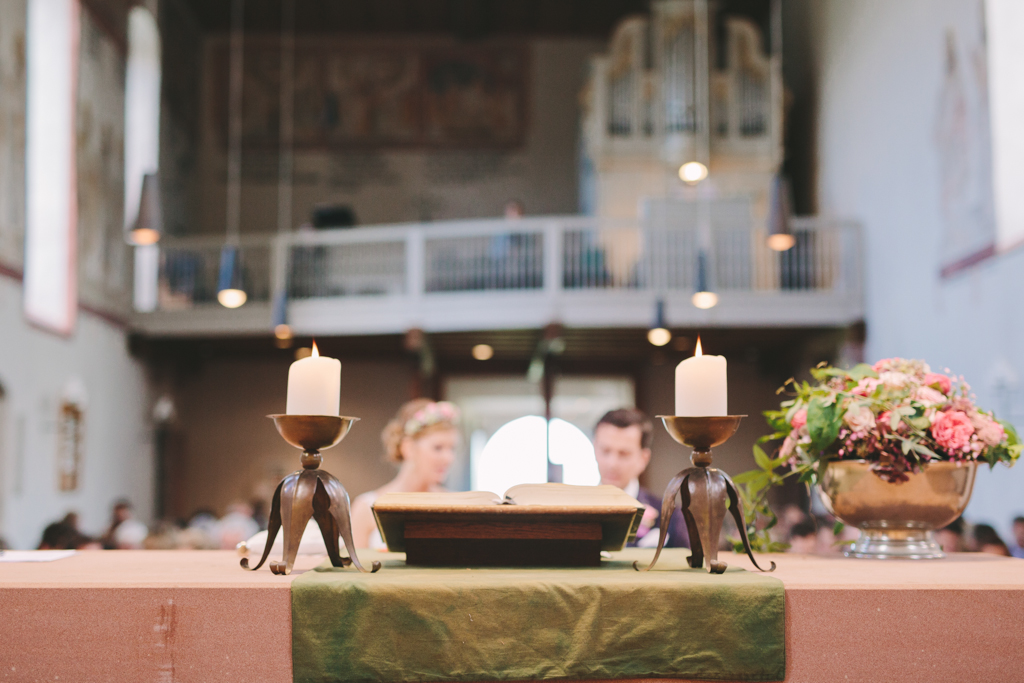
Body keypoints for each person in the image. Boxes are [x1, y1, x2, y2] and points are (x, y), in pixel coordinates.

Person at [350, 399, 460, 549]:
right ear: (408, 448)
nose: (449, 458)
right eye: (438, 448)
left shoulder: (457, 505)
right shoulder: (366, 507)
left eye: (452, 449)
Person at [592, 408, 688, 548]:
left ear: (643, 458)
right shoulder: (574, 511)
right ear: (595, 449)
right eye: (605, 451)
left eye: (624, 454)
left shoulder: (669, 516)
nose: (612, 464)